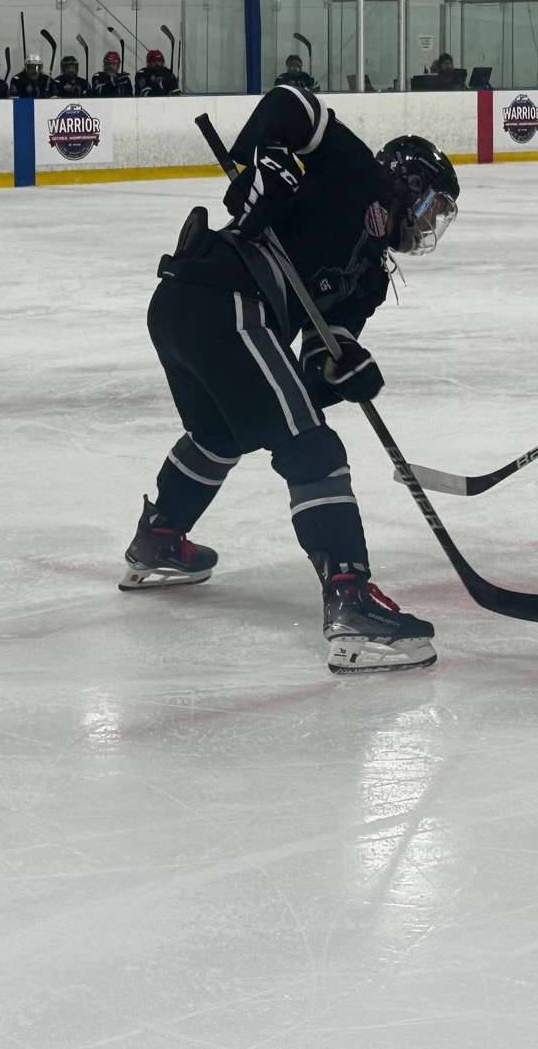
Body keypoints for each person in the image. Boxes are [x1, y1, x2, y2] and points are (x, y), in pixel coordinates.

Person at [121, 84, 462, 675]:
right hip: (223, 300)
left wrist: (344, 369)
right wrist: (265, 162)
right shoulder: (358, 173)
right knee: (313, 449)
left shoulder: (371, 278)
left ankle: (160, 537)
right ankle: (351, 604)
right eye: (432, 205)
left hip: (189, 309)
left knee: (219, 435)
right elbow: (290, 102)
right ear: (409, 184)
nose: (430, 222)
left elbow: (316, 362)